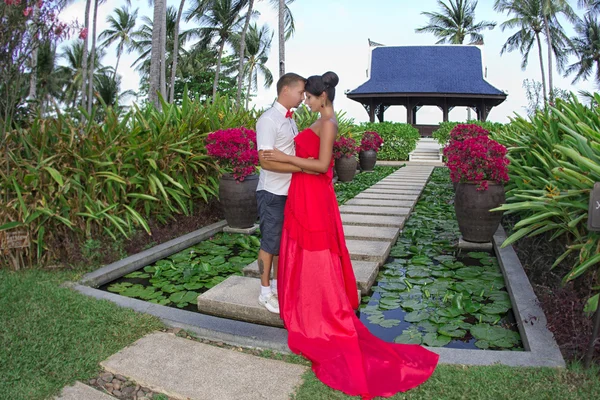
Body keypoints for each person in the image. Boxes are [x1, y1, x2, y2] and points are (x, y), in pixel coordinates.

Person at [262, 71, 439, 399]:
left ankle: (319, 309)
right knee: (302, 247)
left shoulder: (328, 124)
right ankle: (302, 302)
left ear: (323, 98)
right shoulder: (317, 120)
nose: (306, 101)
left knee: (316, 250)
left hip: (314, 193)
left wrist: (287, 158)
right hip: (303, 192)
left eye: (310, 97)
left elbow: (323, 165)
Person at [255, 72, 306, 313]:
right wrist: (301, 166)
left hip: (289, 191)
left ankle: (276, 285)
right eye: (300, 92)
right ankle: (265, 292)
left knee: (281, 244)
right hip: (272, 191)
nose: (303, 97)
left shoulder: (290, 119)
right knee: (269, 243)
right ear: (286, 90)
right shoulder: (268, 120)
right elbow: (265, 162)